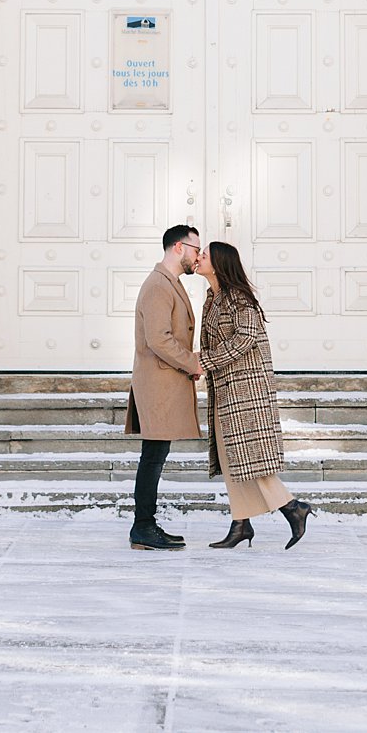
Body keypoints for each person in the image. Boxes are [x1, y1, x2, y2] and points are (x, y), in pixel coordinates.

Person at [193, 241, 313, 549]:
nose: (198, 257)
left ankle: (292, 508)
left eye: (204, 254)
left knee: (250, 459)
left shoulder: (238, 299)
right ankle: (241, 523)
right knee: (232, 458)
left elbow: (245, 338)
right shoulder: (213, 297)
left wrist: (204, 361)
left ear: (219, 264)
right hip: (225, 388)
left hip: (245, 391)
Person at [124, 222, 204, 551]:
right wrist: (191, 361)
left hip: (163, 382)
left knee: (155, 455)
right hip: (157, 384)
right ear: (179, 247)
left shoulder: (167, 282)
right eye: (196, 249)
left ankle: (144, 526)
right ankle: (143, 527)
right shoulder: (159, 284)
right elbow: (159, 338)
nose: (198, 256)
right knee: (153, 456)